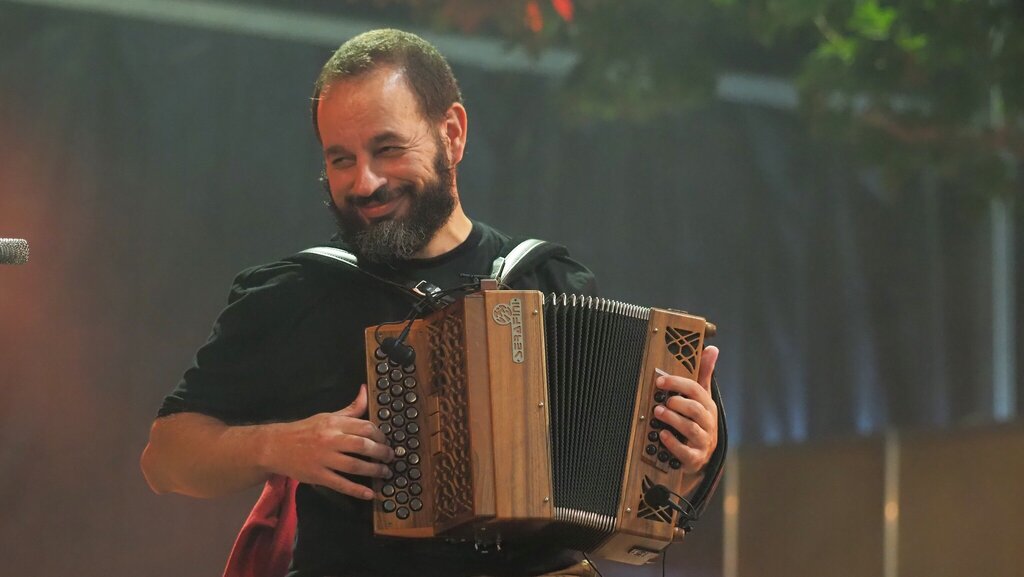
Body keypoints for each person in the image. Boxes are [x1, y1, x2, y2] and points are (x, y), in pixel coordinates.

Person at [140, 29, 721, 577]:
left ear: (453, 134)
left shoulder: (547, 280)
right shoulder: (295, 293)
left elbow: (636, 500)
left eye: (387, 149)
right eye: (341, 159)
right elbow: (165, 458)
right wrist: (279, 446)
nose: (364, 183)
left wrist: (690, 454)